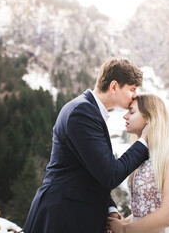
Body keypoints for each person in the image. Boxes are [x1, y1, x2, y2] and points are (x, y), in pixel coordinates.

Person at [23, 57, 149, 233]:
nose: (135, 95)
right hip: (61, 218)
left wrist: (110, 209)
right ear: (114, 87)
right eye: (132, 89)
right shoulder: (82, 112)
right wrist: (143, 142)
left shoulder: (88, 110)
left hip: (74, 215)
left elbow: (92, 171)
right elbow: (110, 174)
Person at [107, 94, 169, 233]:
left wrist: (125, 229)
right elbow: (146, 208)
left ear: (149, 117)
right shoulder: (141, 154)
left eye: (132, 112)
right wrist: (124, 221)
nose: (125, 116)